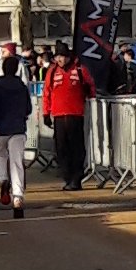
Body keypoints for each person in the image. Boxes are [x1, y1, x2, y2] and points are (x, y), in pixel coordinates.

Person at [0, 45, 33, 213]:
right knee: (17, 162)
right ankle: (18, 196)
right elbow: (28, 108)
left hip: (1, 128)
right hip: (18, 128)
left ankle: (3, 179)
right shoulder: (22, 87)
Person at [42, 43, 90, 192]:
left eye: (62, 56)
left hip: (75, 115)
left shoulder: (80, 70)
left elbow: (91, 88)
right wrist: (46, 113)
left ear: (68, 57)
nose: (59, 59)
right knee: (61, 149)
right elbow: (46, 93)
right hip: (59, 116)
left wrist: (88, 91)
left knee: (77, 148)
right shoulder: (52, 72)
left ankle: (76, 178)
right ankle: (68, 177)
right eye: (57, 57)